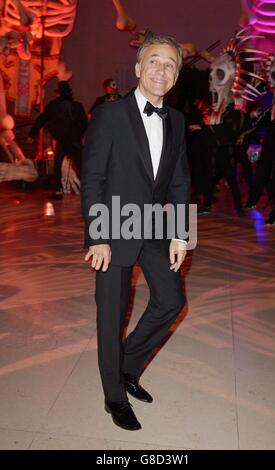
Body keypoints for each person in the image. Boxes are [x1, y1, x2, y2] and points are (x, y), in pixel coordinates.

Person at [81, 35, 190, 431]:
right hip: (113, 224)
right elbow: (92, 176)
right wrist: (97, 235)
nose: (162, 70)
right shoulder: (110, 115)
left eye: (170, 65)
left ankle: (127, 367)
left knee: (172, 299)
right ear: (139, 69)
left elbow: (179, 181)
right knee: (111, 315)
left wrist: (181, 233)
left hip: (154, 227)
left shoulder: (176, 120)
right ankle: (114, 396)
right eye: (155, 62)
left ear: (176, 76)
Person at [28, 81, 88, 199]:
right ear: (70, 93)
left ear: (58, 94)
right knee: (81, 166)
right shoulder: (77, 106)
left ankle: (58, 191)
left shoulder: (54, 106)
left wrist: (32, 134)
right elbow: (84, 123)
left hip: (62, 140)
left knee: (57, 165)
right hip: (73, 140)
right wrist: (77, 134)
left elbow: (42, 119)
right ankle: (90, 190)